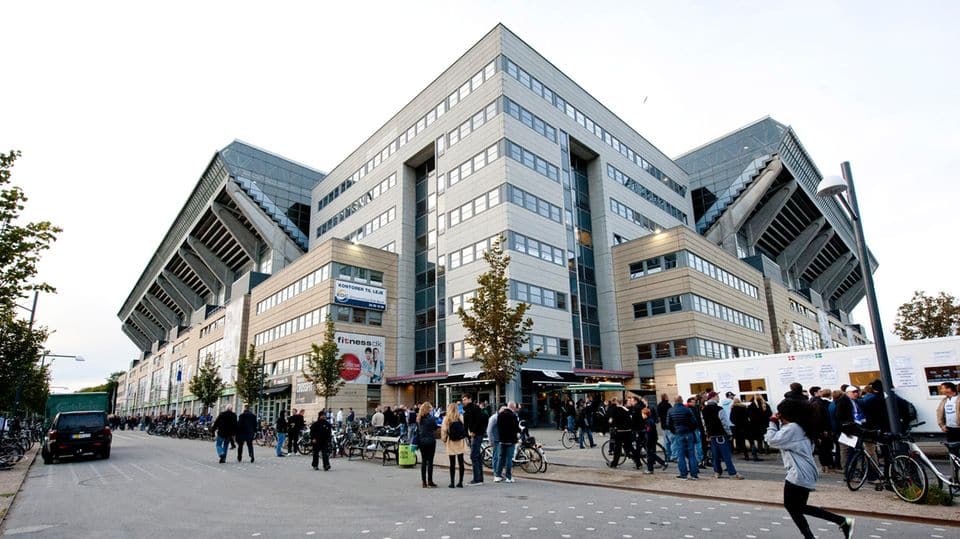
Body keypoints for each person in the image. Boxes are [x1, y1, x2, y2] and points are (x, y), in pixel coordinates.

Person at [766, 399, 855, 539]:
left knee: (793, 506)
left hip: (799, 472)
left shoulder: (792, 428)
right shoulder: (802, 426)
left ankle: (838, 523)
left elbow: (771, 440)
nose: (779, 416)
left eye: (781, 414)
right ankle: (838, 523)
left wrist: (772, 422)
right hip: (806, 470)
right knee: (797, 507)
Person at [702, 391, 743, 479]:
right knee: (726, 455)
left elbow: (704, 423)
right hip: (721, 434)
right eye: (717, 396)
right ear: (713, 397)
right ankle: (732, 473)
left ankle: (717, 472)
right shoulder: (719, 409)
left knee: (715, 456)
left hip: (712, 435)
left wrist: (707, 434)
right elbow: (724, 422)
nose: (718, 398)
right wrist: (729, 433)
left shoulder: (704, 409)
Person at [667, 395, 699, 480]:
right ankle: (694, 475)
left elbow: (668, 424)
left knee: (680, 454)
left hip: (678, 434)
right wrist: (690, 429)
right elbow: (695, 422)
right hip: (688, 433)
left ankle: (683, 474)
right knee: (692, 454)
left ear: (674, 401)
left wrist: (675, 431)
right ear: (681, 401)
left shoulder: (671, 410)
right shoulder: (687, 409)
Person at [461, 394, 485, 485]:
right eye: (463, 400)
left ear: (470, 399)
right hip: (473, 434)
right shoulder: (466, 410)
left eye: (465, 399)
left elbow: (478, 421)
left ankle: (477, 479)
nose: (464, 401)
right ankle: (480, 478)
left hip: (477, 434)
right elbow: (466, 424)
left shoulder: (475, 408)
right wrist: (465, 435)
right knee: (477, 456)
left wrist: (473, 431)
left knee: (474, 456)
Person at [441, 403, 467, 488]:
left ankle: (452, 482)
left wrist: (444, 439)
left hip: (451, 442)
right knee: (461, 462)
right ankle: (460, 482)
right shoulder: (460, 416)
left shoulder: (447, 418)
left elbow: (444, 430)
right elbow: (466, 427)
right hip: (460, 441)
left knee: (452, 463)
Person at [496, 402, 520, 483]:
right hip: (511, 440)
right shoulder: (513, 416)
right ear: (513, 407)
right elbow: (516, 428)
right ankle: (508, 477)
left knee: (501, 457)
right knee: (509, 458)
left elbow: (498, 426)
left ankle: (497, 476)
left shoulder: (500, 414)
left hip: (502, 440)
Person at [608, 398, 634, 469]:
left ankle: (614, 464)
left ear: (617, 403)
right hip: (628, 431)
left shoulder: (615, 410)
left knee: (617, 449)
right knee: (630, 447)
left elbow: (611, 420)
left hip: (620, 432)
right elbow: (630, 420)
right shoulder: (627, 410)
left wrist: (611, 424)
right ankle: (638, 463)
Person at [417, 402, 438, 488]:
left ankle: (423, 482)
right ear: (428, 409)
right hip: (430, 441)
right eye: (430, 408)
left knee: (424, 461)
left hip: (422, 441)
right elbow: (435, 427)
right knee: (430, 462)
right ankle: (430, 480)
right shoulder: (431, 418)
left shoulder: (419, 418)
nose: (431, 410)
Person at [937, 382, 960, 452]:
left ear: (949, 389)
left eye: (942, 388)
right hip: (950, 429)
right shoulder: (944, 400)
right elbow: (939, 412)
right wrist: (942, 425)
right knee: (952, 450)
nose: (941, 390)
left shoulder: (958, 398)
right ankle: (955, 462)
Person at [747, 395, 771, 461]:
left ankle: (760, 451)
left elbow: (749, 415)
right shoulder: (765, 405)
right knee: (765, 437)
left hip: (755, 425)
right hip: (765, 424)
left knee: (758, 438)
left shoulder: (751, 406)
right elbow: (770, 414)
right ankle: (767, 451)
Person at [657, 393, 674, 461]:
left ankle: (667, 455)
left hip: (663, 425)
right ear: (665, 397)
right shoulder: (668, 405)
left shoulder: (659, 405)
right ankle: (672, 456)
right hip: (669, 425)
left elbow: (659, 416)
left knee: (666, 441)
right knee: (672, 441)